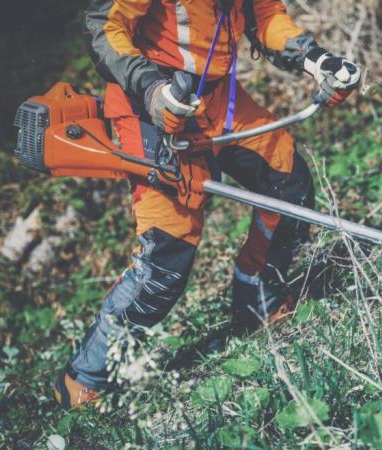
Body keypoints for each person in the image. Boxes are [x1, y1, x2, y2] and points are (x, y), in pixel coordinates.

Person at [53, 0, 360, 410]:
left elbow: (265, 15)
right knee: (167, 254)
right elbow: (104, 24)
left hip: (218, 99)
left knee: (286, 178)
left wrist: (315, 60)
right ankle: (83, 379)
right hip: (152, 105)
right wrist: (151, 89)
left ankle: (257, 295)